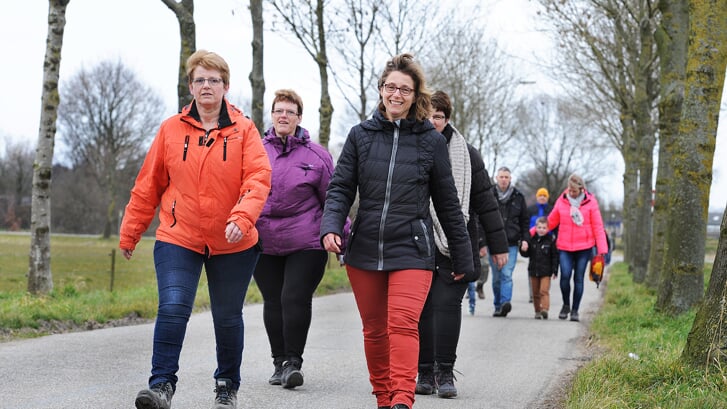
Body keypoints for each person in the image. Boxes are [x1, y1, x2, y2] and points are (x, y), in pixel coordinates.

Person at [119, 50, 272, 409]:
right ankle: (160, 386)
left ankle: (226, 386)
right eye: (200, 80)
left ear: (225, 86)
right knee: (173, 306)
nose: (207, 86)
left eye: (214, 80)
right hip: (179, 235)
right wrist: (131, 230)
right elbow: (148, 184)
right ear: (190, 86)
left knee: (227, 315)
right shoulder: (171, 129)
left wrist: (242, 216)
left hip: (233, 240)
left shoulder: (244, 130)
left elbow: (258, 179)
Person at [320, 53, 474, 409]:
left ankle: (403, 399)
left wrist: (463, 255)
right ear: (381, 90)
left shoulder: (430, 141)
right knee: (375, 331)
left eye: (405, 89)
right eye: (391, 87)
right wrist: (331, 226)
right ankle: (384, 398)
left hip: (412, 248)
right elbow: (341, 187)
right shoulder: (360, 135)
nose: (396, 95)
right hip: (365, 247)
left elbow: (448, 204)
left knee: (403, 324)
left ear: (415, 95)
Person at [415, 90, 508, 399]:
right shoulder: (409, 147)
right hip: (418, 241)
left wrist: (498, 247)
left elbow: (486, 203)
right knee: (423, 309)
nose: (432, 121)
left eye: (438, 117)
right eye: (427, 115)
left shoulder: (467, 155)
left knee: (446, 305)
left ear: (447, 119)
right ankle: (424, 371)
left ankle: (444, 371)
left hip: (456, 243)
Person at [253, 89, 345, 390]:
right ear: (272, 115)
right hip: (264, 241)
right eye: (279, 110)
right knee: (273, 300)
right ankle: (278, 362)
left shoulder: (317, 156)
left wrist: (344, 236)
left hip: (306, 241)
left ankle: (293, 362)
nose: (283, 116)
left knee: (293, 297)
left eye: (290, 112)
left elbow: (334, 199)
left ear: (299, 118)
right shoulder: (254, 150)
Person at [545, 173, 608, 322]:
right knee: (565, 276)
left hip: (584, 247)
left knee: (578, 278)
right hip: (565, 246)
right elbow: (550, 222)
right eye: (569, 190)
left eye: (574, 190)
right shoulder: (562, 201)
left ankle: (575, 310)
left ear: (581, 189)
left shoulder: (591, 203)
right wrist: (533, 232)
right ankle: (566, 304)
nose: (571, 193)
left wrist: (602, 249)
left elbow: (598, 226)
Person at [490, 167, 530, 317]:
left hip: (511, 243)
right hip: (493, 242)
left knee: (506, 274)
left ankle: (505, 302)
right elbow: (481, 219)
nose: (504, 179)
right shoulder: (489, 195)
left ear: (510, 178)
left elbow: (525, 221)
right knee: (496, 277)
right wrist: (482, 243)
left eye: (506, 177)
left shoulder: (518, 197)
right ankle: (497, 305)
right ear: (496, 178)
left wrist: (525, 239)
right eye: (501, 177)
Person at [519, 217, 559, 319]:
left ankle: (545, 309)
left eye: (544, 228)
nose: (541, 229)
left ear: (548, 229)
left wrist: (555, 270)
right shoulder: (532, 240)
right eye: (539, 227)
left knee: (543, 291)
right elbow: (526, 254)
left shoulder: (551, 241)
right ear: (535, 228)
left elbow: (555, 256)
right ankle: (537, 311)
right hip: (533, 270)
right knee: (535, 293)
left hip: (546, 271)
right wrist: (523, 249)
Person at [526, 187, 554, 302]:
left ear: (547, 198)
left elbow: (554, 224)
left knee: (546, 268)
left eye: (544, 196)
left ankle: (544, 292)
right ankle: (533, 293)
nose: (542, 197)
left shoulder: (551, 210)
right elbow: (526, 224)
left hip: (548, 241)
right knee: (532, 267)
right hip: (533, 241)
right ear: (537, 197)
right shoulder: (531, 210)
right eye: (540, 196)